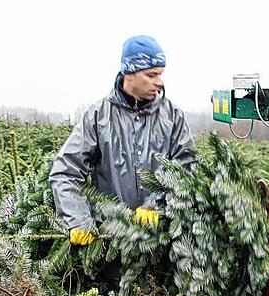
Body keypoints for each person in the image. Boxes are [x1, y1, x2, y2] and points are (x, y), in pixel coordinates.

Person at [50, 35, 195, 245]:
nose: (159, 82)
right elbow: (65, 172)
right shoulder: (98, 116)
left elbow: (186, 170)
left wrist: (156, 205)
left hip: (160, 241)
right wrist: (79, 219)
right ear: (129, 73)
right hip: (111, 242)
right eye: (151, 74)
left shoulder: (172, 116)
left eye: (160, 74)